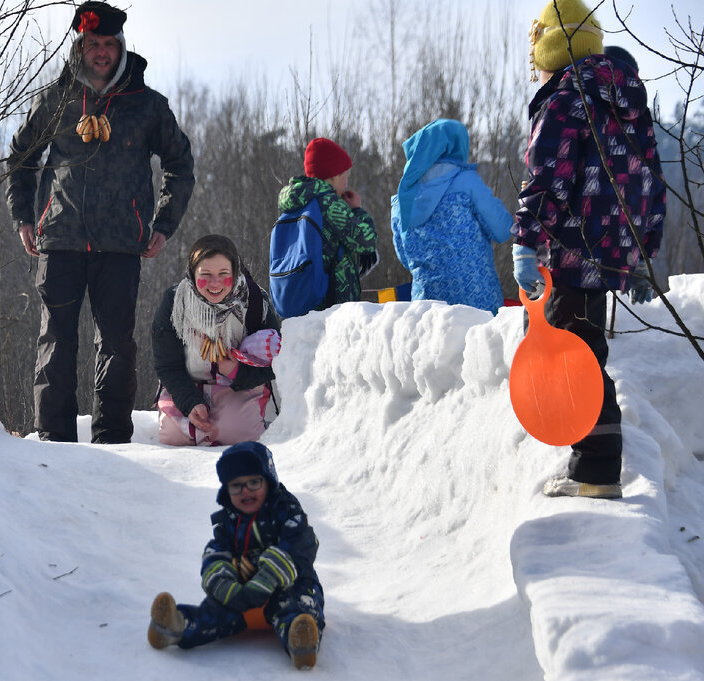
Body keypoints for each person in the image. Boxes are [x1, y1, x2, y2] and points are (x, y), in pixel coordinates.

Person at [6, 1, 195, 444]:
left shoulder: (147, 105)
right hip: (59, 238)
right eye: (94, 43)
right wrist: (24, 216)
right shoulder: (54, 100)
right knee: (56, 342)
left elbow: (180, 166)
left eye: (110, 44)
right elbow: (21, 159)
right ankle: (53, 439)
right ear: (80, 46)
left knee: (117, 344)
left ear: (121, 47)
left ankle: (112, 439)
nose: (102, 51)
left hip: (121, 244)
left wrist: (163, 224)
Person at [512, 0, 665, 499]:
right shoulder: (621, 93)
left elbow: (547, 178)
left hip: (574, 245)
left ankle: (596, 472)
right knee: (582, 349)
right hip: (610, 244)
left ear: (551, 47)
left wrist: (526, 242)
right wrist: (639, 247)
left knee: (575, 357)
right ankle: (590, 466)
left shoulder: (564, 98)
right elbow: (647, 177)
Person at [147, 441, 326, 670]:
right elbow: (215, 552)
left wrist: (266, 577)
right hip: (242, 595)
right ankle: (175, 625)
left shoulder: (286, 512)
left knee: (297, 605)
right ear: (226, 490)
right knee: (215, 612)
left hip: (290, 586)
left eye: (254, 482)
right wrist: (226, 584)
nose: (246, 491)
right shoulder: (228, 523)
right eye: (236, 486)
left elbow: (301, 544)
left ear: (268, 482)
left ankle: (299, 640)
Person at [152, 235, 281, 446]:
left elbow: (276, 364)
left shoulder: (255, 302)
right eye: (206, 275)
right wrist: (190, 402)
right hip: (187, 383)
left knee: (234, 433)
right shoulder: (175, 303)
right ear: (193, 274)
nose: (215, 283)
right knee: (173, 436)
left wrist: (236, 372)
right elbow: (167, 365)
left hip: (239, 387)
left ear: (235, 272)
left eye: (223, 274)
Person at [391, 119, 513, 315]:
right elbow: (502, 230)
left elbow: (405, 257)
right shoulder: (467, 182)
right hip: (476, 303)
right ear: (457, 145)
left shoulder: (402, 199)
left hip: (426, 305)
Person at [275, 137, 378, 311]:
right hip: (332, 302)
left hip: (304, 297)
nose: (346, 183)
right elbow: (366, 241)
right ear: (333, 176)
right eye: (345, 177)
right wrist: (357, 210)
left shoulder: (296, 201)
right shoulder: (328, 203)